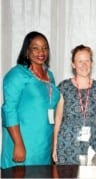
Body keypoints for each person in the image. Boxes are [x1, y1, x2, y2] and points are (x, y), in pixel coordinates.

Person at [1, 31, 60, 169]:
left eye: (45, 47)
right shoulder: (17, 74)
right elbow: (9, 110)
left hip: (44, 145)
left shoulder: (49, 75)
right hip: (24, 143)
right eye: (35, 47)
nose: (41, 52)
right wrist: (18, 144)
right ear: (27, 51)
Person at [52, 45, 96, 164]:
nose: (84, 65)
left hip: (92, 144)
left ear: (92, 63)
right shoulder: (64, 87)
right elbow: (58, 118)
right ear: (73, 64)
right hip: (67, 144)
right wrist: (55, 146)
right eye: (80, 61)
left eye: (87, 60)